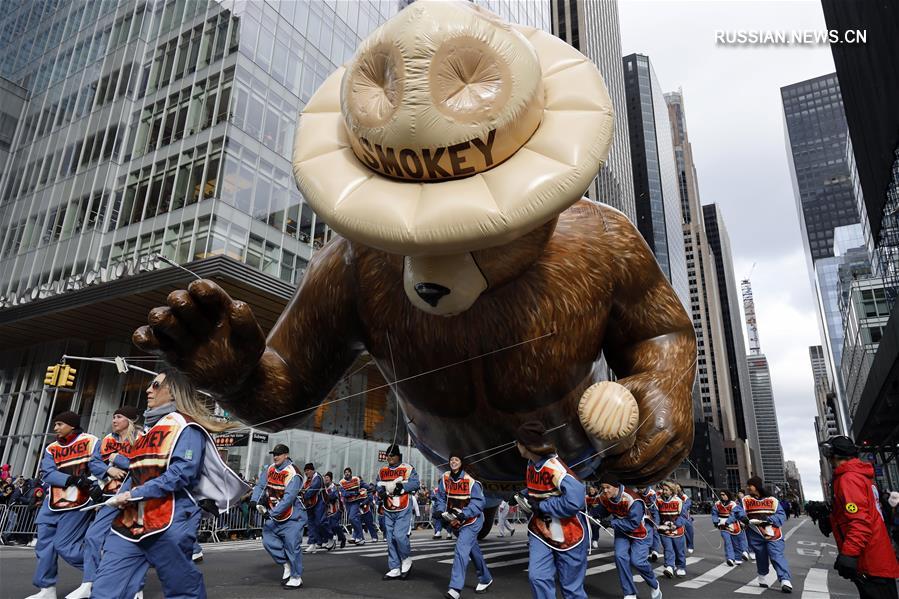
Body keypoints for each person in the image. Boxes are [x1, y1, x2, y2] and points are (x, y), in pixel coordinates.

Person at [90, 369, 249, 599]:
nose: (148, 390)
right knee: (103, 589)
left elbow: (181, 473)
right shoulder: (147, 432)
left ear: (173, 392)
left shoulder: (186, 427)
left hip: (168, 523)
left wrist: (135, 493)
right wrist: (115, 498)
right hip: (129, 523)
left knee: (183, 592)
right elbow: (134, 473)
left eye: (155, 385)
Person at [26, 411, 100, 599]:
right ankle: (46, 589)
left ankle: (104, 573)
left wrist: (92, 482)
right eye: (55, 424)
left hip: (79, 503)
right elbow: (47, 473)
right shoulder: (51, 447)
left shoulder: (91, 441)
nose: (55, 428)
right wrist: (73, 479)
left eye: (59, 424)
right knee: (44, 546)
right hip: (52, 503)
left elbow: (99, 466)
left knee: (65, 546)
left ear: (72, 425)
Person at [515, 421, 589, 599]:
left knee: (571, 589)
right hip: (541, 528)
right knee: (537, 576)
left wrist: (542, 506)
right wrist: (522, 494)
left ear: (526, 445)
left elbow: (576, 499)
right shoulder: (531, 464)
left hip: (569, 531)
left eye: (517, 442)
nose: (515, 446)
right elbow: (540, 488)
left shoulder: (554, 467)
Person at [820, 435, 899, 599]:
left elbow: (860, 522)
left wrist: (849, 554)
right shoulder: (859, 475)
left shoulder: (849, 478)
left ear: (832, 454)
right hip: (875, 555)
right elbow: (863, 511)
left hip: (870, 559)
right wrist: (832, 520)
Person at [74, 406, 140, 599]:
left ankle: (135, 587)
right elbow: (93, 462)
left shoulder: (142, 437)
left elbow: (141, 464)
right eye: (113, 416)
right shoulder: (106, 440)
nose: (114, 420)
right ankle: (89, 582)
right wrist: (107, 470)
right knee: (93, 536)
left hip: (133, 498)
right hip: (108, 498)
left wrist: (117, 459)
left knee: (133, 542)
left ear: (130, 420)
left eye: (119, 417)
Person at [435, 451, 493, 598]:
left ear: (461, 463)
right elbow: (441, 497)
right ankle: (486, 578)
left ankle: (455, 588)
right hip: (456, 522)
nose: (453, 462)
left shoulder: (471, 480)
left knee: (461, 550)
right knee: (473, 551)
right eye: (451, 460)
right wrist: (440, 511)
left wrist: (464, 513)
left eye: (456, 459)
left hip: (472, 521)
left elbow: (479, 502)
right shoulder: (445, 478)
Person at [595, 479, 661, 599]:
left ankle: (654, 584)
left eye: (607, 487)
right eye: (602, 487)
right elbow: (603, 509)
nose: (604, 490)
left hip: (641, 531)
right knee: (620, 557)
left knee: (637, 561)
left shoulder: (633, 499)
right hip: (622, 531)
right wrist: (595, 514)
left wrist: (610, 523)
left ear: (616, 486)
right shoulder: (604, 496)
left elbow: (633, 524)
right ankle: (629, 593)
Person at [250, 443, 305, 589]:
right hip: (274, 515)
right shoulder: (270, 469)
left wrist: (271, 513)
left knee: (292, 546)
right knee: (268, 541)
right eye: (274, 454)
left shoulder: (294, 473)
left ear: (286, 455)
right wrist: (254, 500)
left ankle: (296, 577)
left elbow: (288, 499)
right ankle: (286, 565)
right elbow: (261, 485)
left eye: (278, 454)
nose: (275, 456)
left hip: (293, 516)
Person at [736, 476, 793, 593]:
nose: (747, 487)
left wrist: (769, 519)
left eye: (750, 485)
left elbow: (781, 515)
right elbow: (738, 511)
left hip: (772, 533)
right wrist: (743, 518)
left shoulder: (773, 500)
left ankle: (785, 580)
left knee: (776, 555)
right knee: (761, 556)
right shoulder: (745, 500)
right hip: (755, 533)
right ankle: (762, 575)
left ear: (756, 486)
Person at [376, 443, 420, 580]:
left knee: (399, 536)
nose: (389, 458)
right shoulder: (382, 470)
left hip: (403, 505)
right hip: (388, 507)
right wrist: (381, 493)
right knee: (389, 538)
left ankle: (406, 558)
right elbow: (378, 485)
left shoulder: (407, 468)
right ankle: (394, 567)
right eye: (388, 456)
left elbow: (415, 483)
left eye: (392, 455)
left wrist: (402, 488)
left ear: (398, 456)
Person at [656, 480, 688, 578]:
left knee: (679, 550)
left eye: (666, 490)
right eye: (663, 489)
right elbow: (656, 514)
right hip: (664, 530)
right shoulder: (658, 500)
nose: (663, 491)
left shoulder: (678, 501)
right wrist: (657, 525)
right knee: (668, 549)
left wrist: (676, 524)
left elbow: (683, 517)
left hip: (677, 530)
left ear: (672, 491)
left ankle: (681, 567)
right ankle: (669, 566)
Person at [712, 489, 747, 566]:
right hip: (722, 525)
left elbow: (735, 515)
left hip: (733, 525)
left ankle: (738, 558)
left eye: (724, 494)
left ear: (728, 495)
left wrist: (728, 522)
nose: (722, 496)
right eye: (721, 495)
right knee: (727, 542)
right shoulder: (717, 504)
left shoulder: (733, 504)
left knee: (736, 543)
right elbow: (714, 513)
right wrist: (715, 521)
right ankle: (730, 558)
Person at [301, 462, 327, 552]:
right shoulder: (308, 480)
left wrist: (304, 495)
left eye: (307, 470)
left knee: (320, 523)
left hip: (320, 503)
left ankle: (329, 537)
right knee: (311, 524)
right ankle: (312, 544)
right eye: (305, 471)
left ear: (312, 470)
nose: (306, 473)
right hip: (310, 505)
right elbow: (304, 489)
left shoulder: (317, 478)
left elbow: (311, 490)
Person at [339, 468, 367, 545]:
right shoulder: (342, 482)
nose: (347, 473)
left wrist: (369, 488)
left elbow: (363, 485)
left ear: (351, 473)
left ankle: (359, 537)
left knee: (352, 518)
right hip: (348, 503)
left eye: (348, 472)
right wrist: (354, 493)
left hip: (355, 502)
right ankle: (357, 537)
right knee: (354, 520)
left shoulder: (356, 479)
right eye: (345, 472)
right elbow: (344, 494)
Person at [323, 472, 347, 549]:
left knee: (334, 525)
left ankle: (340, 539)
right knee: (328, 525)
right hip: (328, 510)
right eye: (325, 477)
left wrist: (328, 497)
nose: (325, 479)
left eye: (327, 477)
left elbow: (334, 496)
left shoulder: (335, 487)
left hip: (337, 508)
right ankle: (332, 540)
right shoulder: (323, 488)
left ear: (331, 478)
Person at [639, 486, 662, 561]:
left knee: (655, 531)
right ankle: (648, 551)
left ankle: (655, 551)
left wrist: (652, 500)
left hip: (654, 512)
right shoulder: (638, 493)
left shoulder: (652, 493)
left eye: (641, 487)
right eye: (639, 488)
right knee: (647, 531)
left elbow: (655, 505)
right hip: (646, 513)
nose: (640, 490)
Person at [678, 486, 694, 555]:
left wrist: (681, 507)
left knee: (689, 533)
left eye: (678, 487)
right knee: (679, 533)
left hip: (686, 518)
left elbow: (688, 504)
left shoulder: (685, 497)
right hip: (677, 518)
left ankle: (690, 545)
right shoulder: (672, 496)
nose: (677, 489)